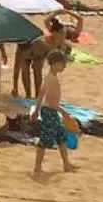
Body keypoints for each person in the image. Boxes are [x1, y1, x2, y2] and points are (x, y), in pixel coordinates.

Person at [30, 34, 75, 175]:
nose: (64, 67)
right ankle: (37, 166)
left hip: (48, 110)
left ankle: (66, 164)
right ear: (56, 64)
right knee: (45, 140)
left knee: (61, 136)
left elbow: (41, 94)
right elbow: (51, 101)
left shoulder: (49, 77)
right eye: (63, 64)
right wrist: (64, 112)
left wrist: (36, 110)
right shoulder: (52, 79)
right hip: (50, 111)